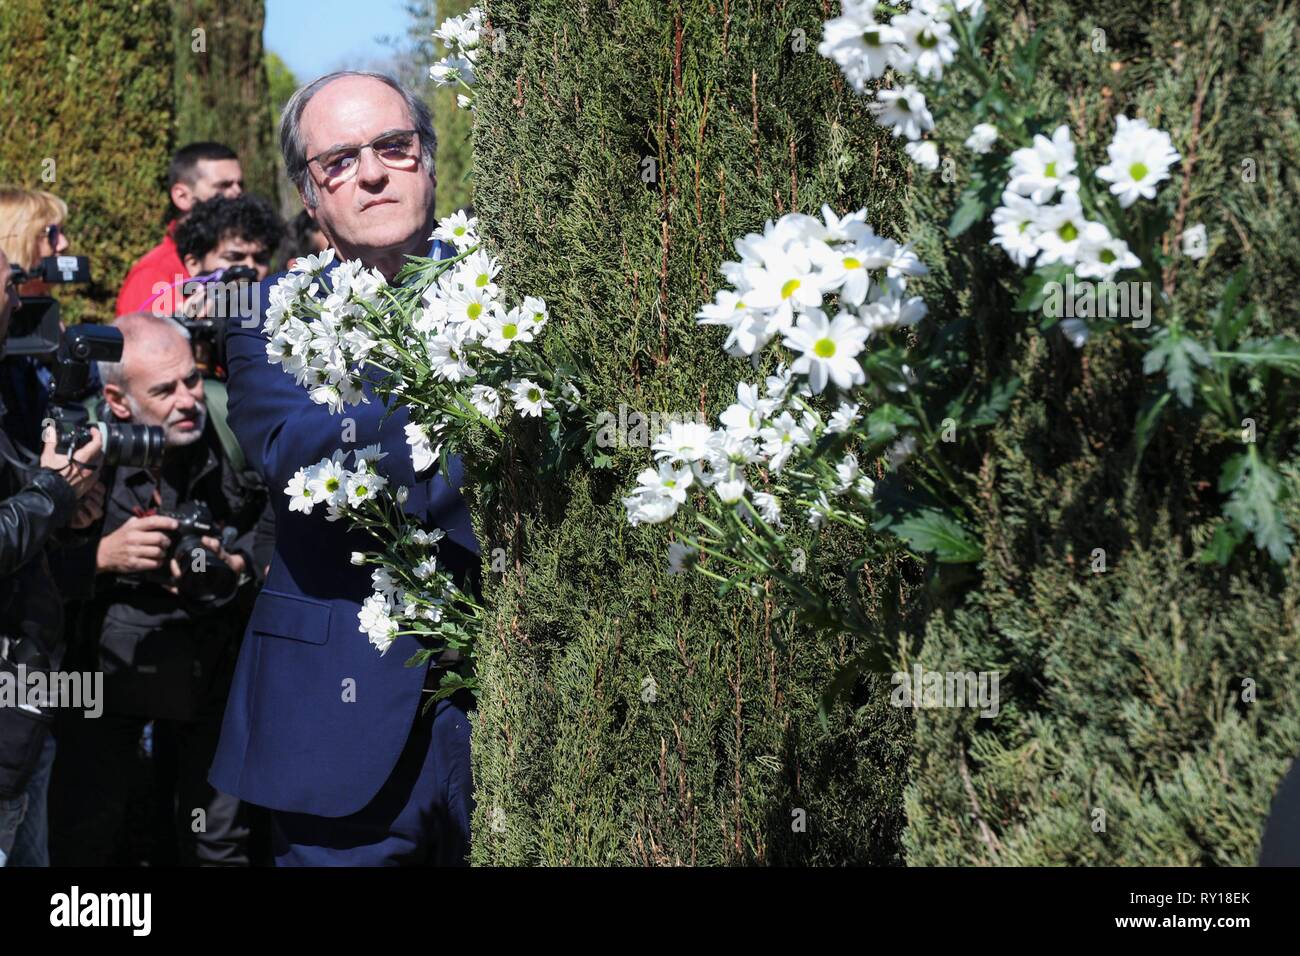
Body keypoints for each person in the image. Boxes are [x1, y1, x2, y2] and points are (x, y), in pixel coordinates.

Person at [211, 70, 479, 866]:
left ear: (428, 161)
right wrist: (460, 389)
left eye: (394, 147)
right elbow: (299, 454)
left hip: (522, 700)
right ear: (309, 194)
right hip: (338, 724)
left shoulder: (506, 287)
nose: (372, 173)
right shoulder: (267, 317)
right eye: (338, 160)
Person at [48, 312, 266, 866]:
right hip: (107, 668)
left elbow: (282, 517)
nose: (187, 399)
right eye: (164, 390)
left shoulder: (229, 424)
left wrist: (237, 561)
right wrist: (103, 556)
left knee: (219, 840)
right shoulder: (80, 455)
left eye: (191, 379)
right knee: (89, 830)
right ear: (118, 402)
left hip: (215, 658)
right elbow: (27, 567)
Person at [0, 246, 105, 867]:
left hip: (25, 707)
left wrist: (66, 506)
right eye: (10, 283)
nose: (22, 298)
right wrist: (52, 490)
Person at [115, 143, 242, 317]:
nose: (237, 193)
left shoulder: (247, 257)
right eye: (223, 186)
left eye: (240, 184)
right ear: (182, 196)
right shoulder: (155, 274)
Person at [143, 194, 283, 322]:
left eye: (261, 258)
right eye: (234, 257)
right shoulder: (179, 324)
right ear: (194, 264)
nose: (251, 266)